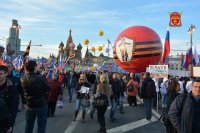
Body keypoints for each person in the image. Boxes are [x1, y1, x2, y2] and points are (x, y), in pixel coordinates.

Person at [20, 60, 51, 133]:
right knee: (41, 127)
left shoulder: (22, 79)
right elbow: (48, 87)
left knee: (28, 126)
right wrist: (43, 76)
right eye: (36, 66)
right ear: (34, 67)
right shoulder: (40, 78)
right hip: (41, 105)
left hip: (30, 105)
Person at [0, 65, 19, 132]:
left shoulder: (12, 88)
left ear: (6, 74)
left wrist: (10, 124)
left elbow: (13, 108)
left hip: (4, 122)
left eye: (1, 74)